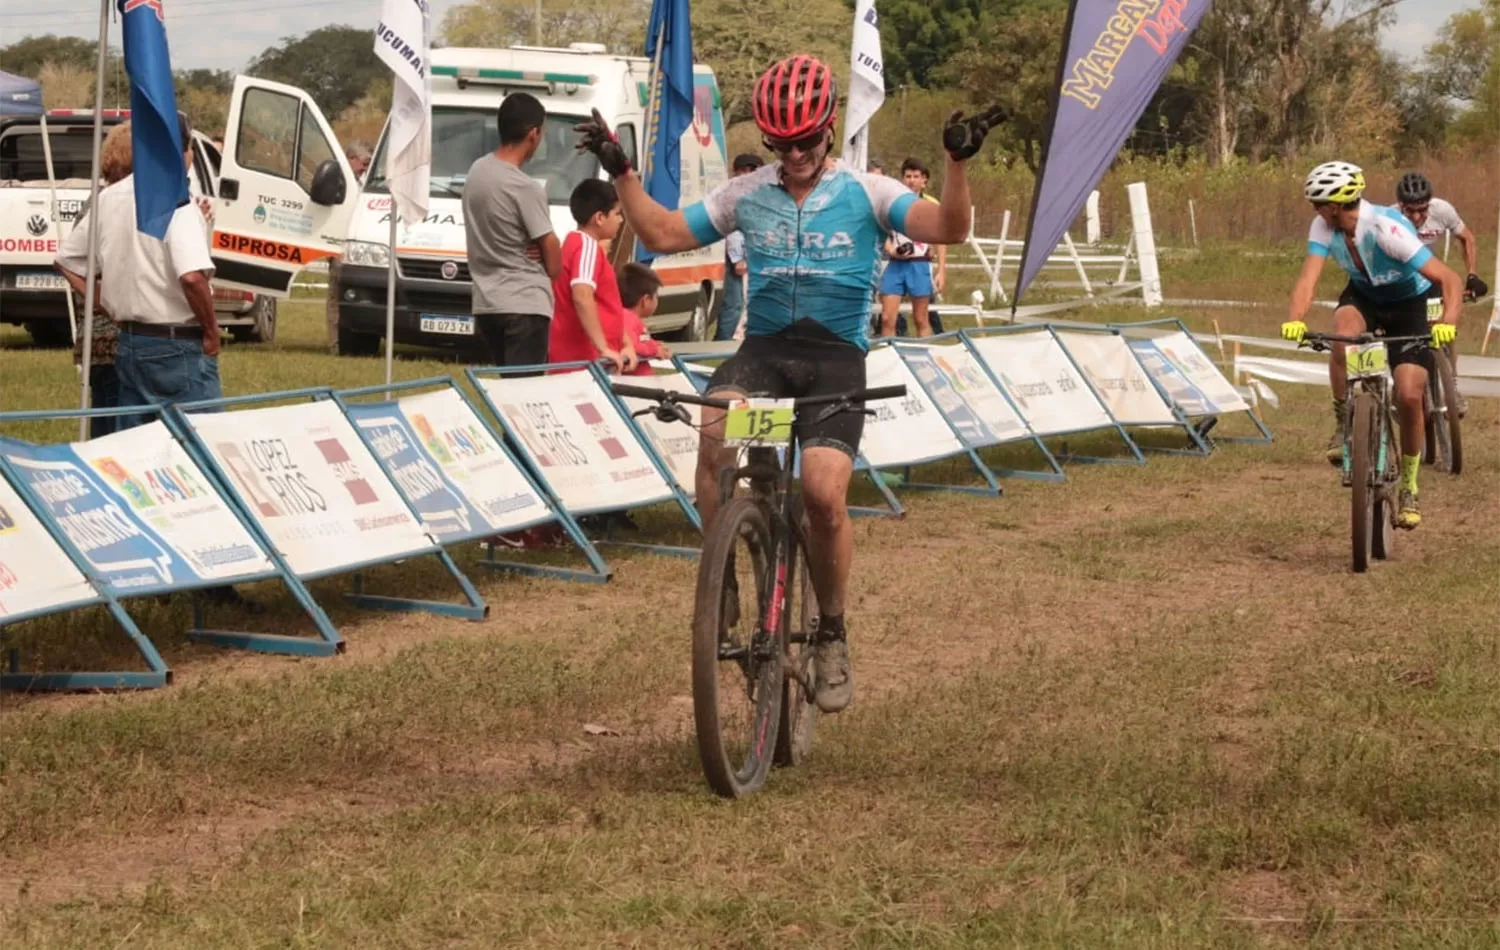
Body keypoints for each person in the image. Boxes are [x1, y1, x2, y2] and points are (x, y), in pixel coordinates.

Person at [576, 54, 1003, 713]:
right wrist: (622, 171)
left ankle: (831, 631)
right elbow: (660, 231)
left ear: (828, 129)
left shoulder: (870, 193)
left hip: (834, 361)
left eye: (805, 140)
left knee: (823, 493)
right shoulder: (747, 195)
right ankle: (721, 580)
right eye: (781, 143)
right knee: (715, 424)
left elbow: (950, 228)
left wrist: (957, 164)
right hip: (766, 354)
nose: (795, 154)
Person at [1281, 161, 1465, 530]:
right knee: (1342, 335)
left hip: (1408, 304)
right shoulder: (1323, 226)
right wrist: (1296, 318)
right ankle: (1343, 424)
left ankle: (1410, 486)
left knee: (1411, 395)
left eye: (1318, 203)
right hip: (1364, 298)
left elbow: (1449, 278)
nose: (1314, 211)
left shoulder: (1386, 229)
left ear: (1336, 204)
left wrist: (1447, 324)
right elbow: (1308, 278)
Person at [57, 110, 222, 433]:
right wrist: (212, 331)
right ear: (183, 151)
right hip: (178, 343)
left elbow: (66, 261)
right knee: (200, 446)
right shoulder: (177, 199)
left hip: (132, 342)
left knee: (134, 448)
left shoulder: (109, 197)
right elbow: (191, 277)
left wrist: (108, 305)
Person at [462, 92, 562, 373]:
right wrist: (545, 250)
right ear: (533, 134)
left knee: (507, 396)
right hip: (525, 303)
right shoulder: (525, 187)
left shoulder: (477, 171)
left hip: (487, 303)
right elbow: (554, 265)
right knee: (525, 399)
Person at [55, 121, 132, 439]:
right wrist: (101, 299)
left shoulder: (98, 203)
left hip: (105, 344)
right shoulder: (109, 205)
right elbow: (68, 262)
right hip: (111, 343)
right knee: (113, 438)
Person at [549, 179, 635, 372]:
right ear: (599, 218)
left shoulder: (575, 244)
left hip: (583, 359)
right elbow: (582, 295)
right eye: (617, 213)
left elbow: (604, 304)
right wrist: (603, 347)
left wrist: (625, 342)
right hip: (583, 361)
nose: (621, 220)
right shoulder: (586, 246)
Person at [878, 158, 947, 338]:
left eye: (916, 176)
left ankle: (924, 357)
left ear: (924, 181)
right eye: (908, 176)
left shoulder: (931, 205)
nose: (911, 180)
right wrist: (891, 249)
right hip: (896, 263)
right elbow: (881, 228)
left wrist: (941, 270)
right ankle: (890, 356)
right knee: (886, 319)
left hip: (920, 264)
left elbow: (941, 239)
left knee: (920, 318)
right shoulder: (892, 202)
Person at [1393, 172, 1486, 300]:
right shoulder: (1390, 219)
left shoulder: (1442, 211)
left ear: (1429, 204)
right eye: (1410, 210)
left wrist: (1472, 275)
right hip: (1401, 275)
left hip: (1429, 270)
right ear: (1400, 205)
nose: (1416, 217)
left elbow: (1467, 238)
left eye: (1422, 209)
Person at [714, 152, 763, 341]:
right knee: (734, 305)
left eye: (751, 170)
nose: (747, 174)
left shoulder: (764, 194)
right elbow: (733, 228)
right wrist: (738, 258)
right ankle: (722, 344)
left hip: (758, 257)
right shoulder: (734, 194)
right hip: (740, 259)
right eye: (743, 170)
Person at [618, 262, 671, 376]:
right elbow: (631, 345)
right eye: (656, 295)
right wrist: (654, 350)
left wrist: (656, 344)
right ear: (646, 300)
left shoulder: (630, 318)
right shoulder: (627, 318)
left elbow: (641, 341)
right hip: (634, 383)